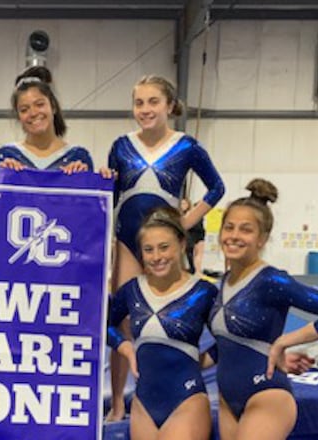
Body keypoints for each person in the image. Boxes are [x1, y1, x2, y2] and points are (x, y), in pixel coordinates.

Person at [104, 75, 224, 421]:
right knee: (123, 320)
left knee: (171, 316)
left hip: (165, 242)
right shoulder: (121, 145)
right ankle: (116, 403)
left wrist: (185, 224)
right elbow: (109, 196)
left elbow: (216, 187)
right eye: (139, 103)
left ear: (169, 105)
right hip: (128, 242)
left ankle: (174, 383)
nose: (145, 110)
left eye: (153, 102)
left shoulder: (186, 146)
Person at [209, 178, 318, 440]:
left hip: (266, 395)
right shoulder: (221, 284)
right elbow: (226, 346)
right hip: (227, 398)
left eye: (246, 230)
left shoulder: (272, 280)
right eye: (229, 227)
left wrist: (282, 344)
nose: (234, 236)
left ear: (262, 238)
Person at [108, 206, 214, 440]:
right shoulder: (132, 290)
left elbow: (231, 337)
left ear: (181, 244)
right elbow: (106, 325)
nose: (157, 257)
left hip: (186, 401)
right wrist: (124, 347)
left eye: (164, 247)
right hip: (143, 406)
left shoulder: (203, 292)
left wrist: (202, 362)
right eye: (149, 250)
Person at [0, 66, 97, 175]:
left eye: (40, 104)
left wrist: (85, 178)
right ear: (18, 116)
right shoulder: (6, 155)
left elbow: (92, 200)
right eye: (24, 109)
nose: (33, 113)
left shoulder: (78, 157)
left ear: (53, 106)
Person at [181, 197, 205, 274]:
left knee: (196, 256)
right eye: (182, 204)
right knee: (189, 255)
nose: (183, 205)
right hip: (187, 238)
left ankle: (195, 271)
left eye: (184, 203)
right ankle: (192, 270)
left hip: (195, 237)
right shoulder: (180, 215)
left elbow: (199, 227)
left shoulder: (192, 214)